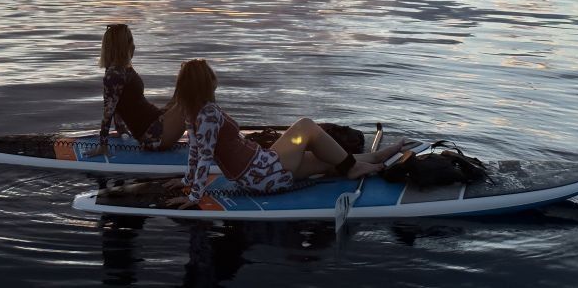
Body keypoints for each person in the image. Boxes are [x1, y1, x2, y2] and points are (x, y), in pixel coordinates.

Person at [164, 59, 405, 209]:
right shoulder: (208, 113)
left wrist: (187, 181)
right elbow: (204, 156)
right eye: (212, 76)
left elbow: (195, 151)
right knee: (306, 126)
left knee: (325, 159)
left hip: (261, 170)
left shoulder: (192, 113)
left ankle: (376, 158)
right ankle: (353, 167)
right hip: (262, 173)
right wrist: (195, 195)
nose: (216, 80)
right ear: (206, 83)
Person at [87, 24, 184, 156]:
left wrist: (121, 129)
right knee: (192, 101)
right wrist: (103, 144)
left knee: (184, 83)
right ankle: (210, 141)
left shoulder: (122, 68)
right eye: (130, 41)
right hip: (152, 134)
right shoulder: (114, 74)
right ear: (122, 46)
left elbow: (119, 103)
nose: (133, 45)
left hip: (156, 120)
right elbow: (109, 111)